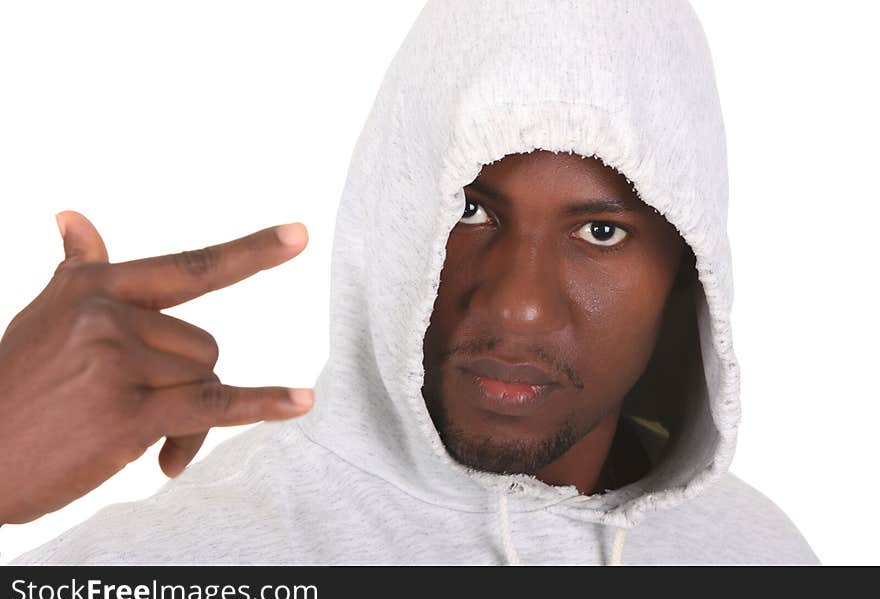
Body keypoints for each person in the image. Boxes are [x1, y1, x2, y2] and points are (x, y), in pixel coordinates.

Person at [5, 0, 818, 565]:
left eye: (599, 232)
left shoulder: (760, 557)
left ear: (690, 270)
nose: (516, 302)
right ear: (389, 212)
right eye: (470, 212)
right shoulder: (203, 563)